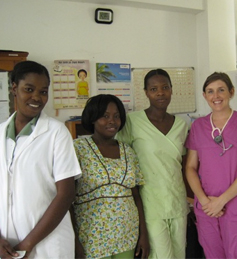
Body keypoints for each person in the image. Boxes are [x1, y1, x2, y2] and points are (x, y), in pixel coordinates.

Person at [0, 60, 82, 259]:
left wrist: (27, 244)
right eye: (29, 89)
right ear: (14, 89)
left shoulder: (57, 133)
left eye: (43, 91)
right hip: (6, 246)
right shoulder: (1, 132)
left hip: (47, 246)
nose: (36, 97)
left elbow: (65, 194)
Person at [116, 69, 189, 259]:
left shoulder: (181, 125)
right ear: (146, 92)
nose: (160, 93)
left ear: (172, 90)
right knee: (161, 255)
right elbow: (122, 158)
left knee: (180, 254)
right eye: (154, 88)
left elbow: (182, 165)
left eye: (165, 87)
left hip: (177, 201)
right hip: (150, 202)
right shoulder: (132, 121)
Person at [71, 94, 150, 259]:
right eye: (105, 116)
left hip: (126, 236)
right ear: (92, 118)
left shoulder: (128, 150)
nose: (112, 121)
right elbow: (68, 200)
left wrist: (143, 234)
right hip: (92, 239)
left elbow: (136, 196)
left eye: (116, 116)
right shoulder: (77, 149)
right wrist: (74, 240)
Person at [185, 72, 237, 259]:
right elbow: (190, 167)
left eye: (221, 90)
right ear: (205, 96)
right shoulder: (198, 126)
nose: (216, 96)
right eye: (210, 91)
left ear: (231, 92)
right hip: (206, 209)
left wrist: (220, 201)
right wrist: (205, 202)